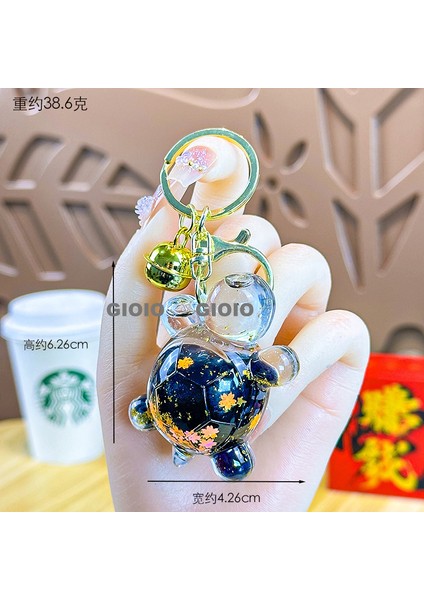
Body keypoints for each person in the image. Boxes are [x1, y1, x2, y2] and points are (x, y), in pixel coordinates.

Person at [97, 135, 370, 511]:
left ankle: (157, 415)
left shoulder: (229, 348)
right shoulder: (198, 328)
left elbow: (273, 365)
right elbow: (188, 319)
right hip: (168, 411)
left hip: (189, 417)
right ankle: (151, 412)